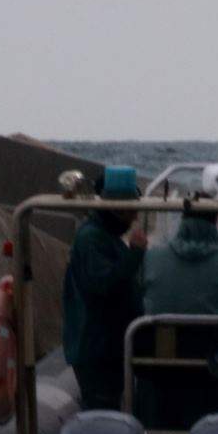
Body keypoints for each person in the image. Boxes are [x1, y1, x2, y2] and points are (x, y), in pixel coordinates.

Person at [62, 166, 147, 410]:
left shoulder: (104, 237)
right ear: (118, 209)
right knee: (100, 405)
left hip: (106, 345)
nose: (135, 216)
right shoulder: (92, 239)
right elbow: (103, 284)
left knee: (110, 401)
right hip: (96, 349)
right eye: (132, 209)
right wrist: (135, 254)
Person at [139, 210, 218, 317]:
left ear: (182, 219)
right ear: (216, 221)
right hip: (209, 333)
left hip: (160, 333)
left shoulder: (151, 257)